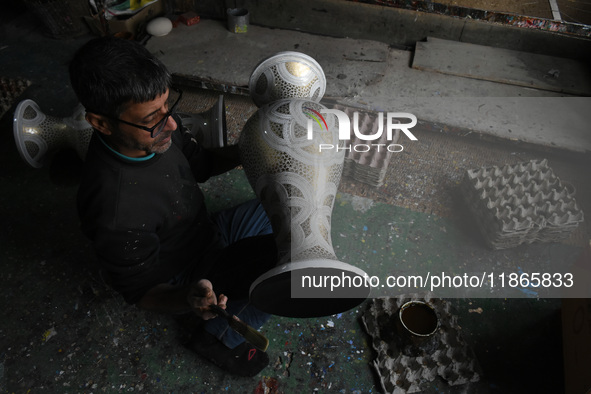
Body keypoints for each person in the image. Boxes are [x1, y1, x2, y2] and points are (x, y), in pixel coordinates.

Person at [69, 36, 278, 377]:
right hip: (185, 273)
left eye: (168, 106)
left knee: (289, 206)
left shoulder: (157, 125)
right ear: (101, 123)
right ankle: (217, 337)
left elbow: (202, 165)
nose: (171, 123)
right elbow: (140, 292)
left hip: (205, 231)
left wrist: (253, 147)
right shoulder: (115, 209)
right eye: (153, 117)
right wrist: (189, 299)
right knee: (287, 273)